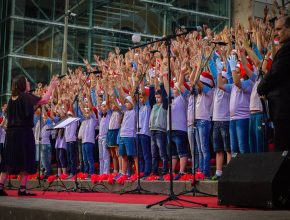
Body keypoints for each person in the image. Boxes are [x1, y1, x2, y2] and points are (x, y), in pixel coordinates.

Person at [0, 75, 58, 196]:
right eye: (26, 81)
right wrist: (52, 87)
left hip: (11, 135)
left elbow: (25, 110)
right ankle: (22, 189)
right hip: (24, 133)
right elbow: (44, 100)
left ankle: (0, 186)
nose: (28, 82)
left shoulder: (12, 99)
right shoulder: (26, 96)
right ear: (22, 84)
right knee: (25, 160)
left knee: (8, 160)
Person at [257, 16, 290, 151]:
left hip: (284, 111)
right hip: (282, 110)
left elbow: (275, 73)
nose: (276, 33)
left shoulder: (287, 50)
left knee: (282, 153)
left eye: (279, 29)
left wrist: (261, 88)